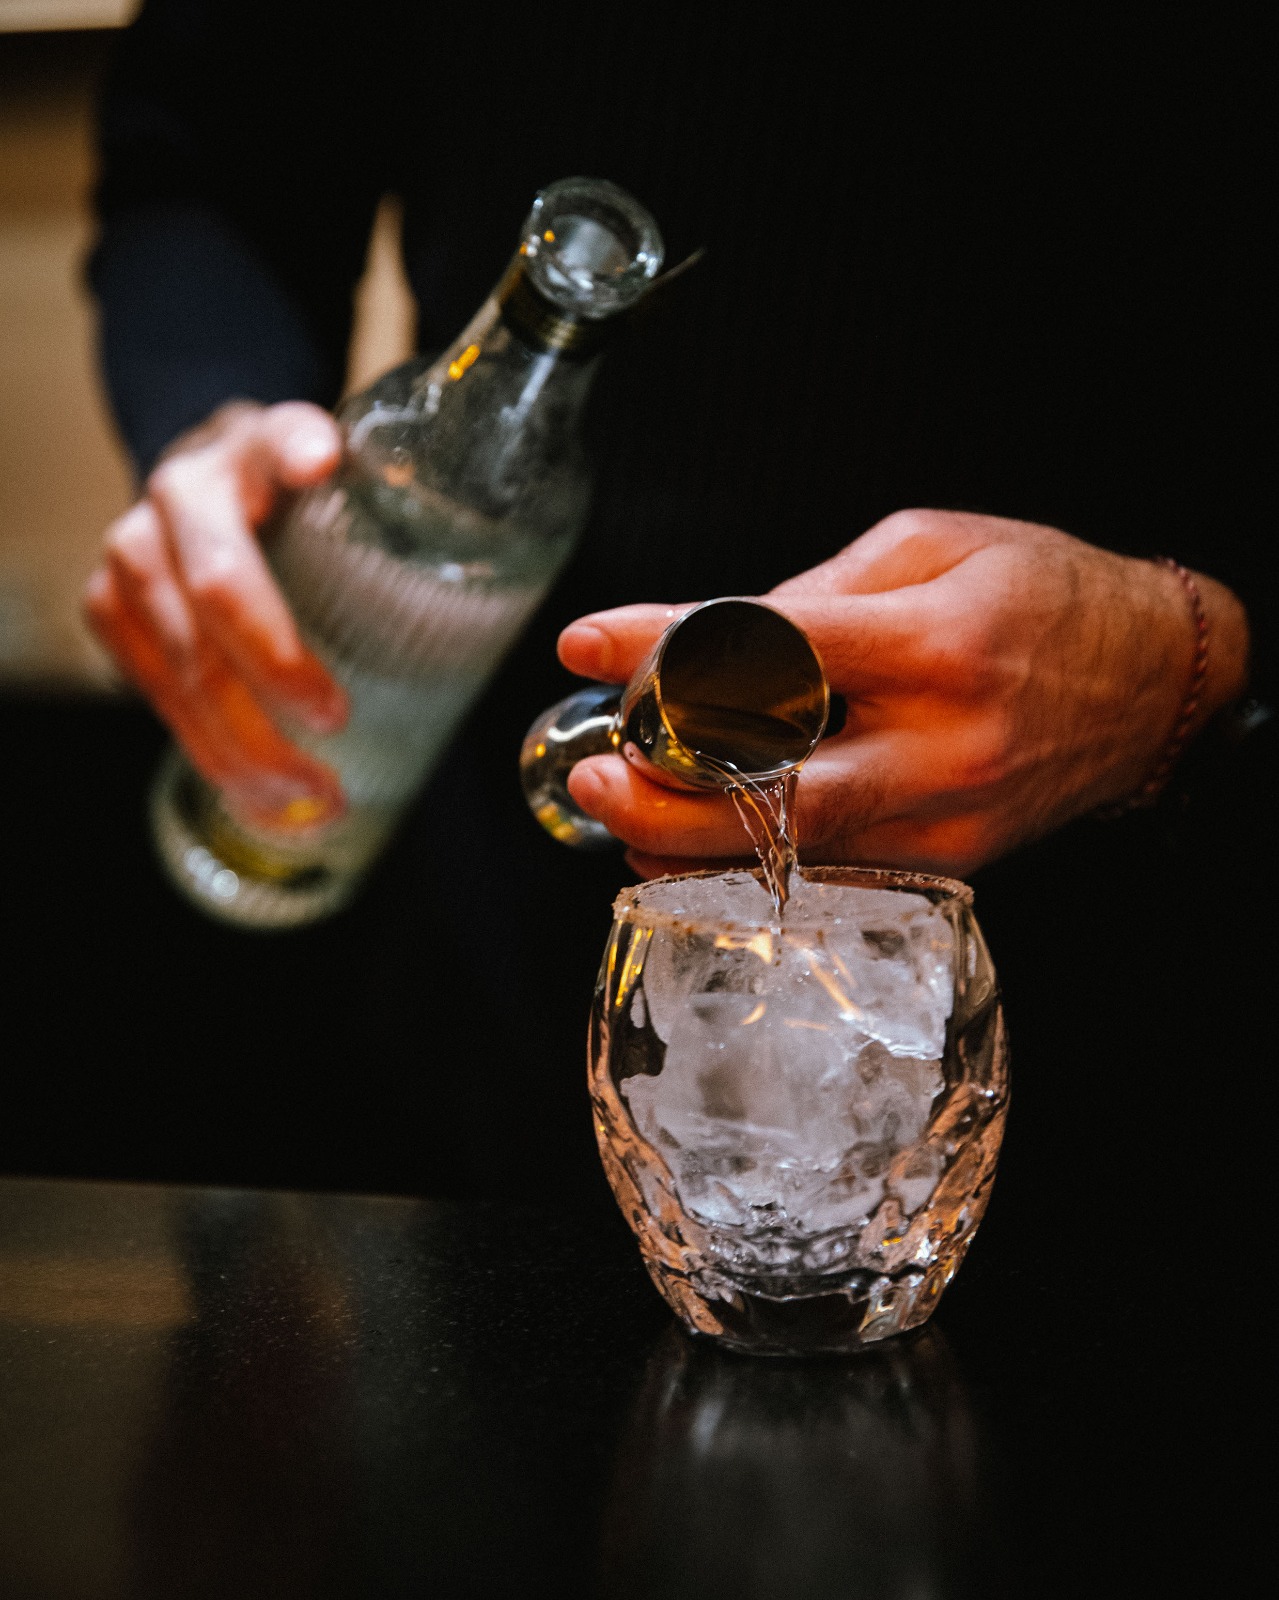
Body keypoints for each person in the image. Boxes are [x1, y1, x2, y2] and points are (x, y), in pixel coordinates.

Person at [78, 1, 1274, 1194]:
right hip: (490, 952)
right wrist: (217, 419)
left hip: (1121, 984)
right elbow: (207, 145)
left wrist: (1196, 653)